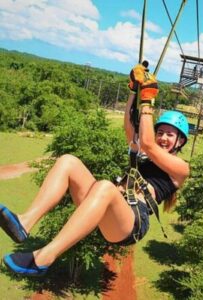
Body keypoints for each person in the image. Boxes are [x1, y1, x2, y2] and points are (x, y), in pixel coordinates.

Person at [0, 67, 190, 277]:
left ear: (180, 141)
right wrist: (134, 91)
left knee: (106, 186)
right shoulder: (145, 155)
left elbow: (147, 141)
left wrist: (147, 101)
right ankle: (24, 222)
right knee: (68, 161)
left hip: (132, 222)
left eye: (169, 135)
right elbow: (130, 129)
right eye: (160, 132)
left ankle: (44, 257)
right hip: (106, 208)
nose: (163, 138)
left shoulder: (180, 169)